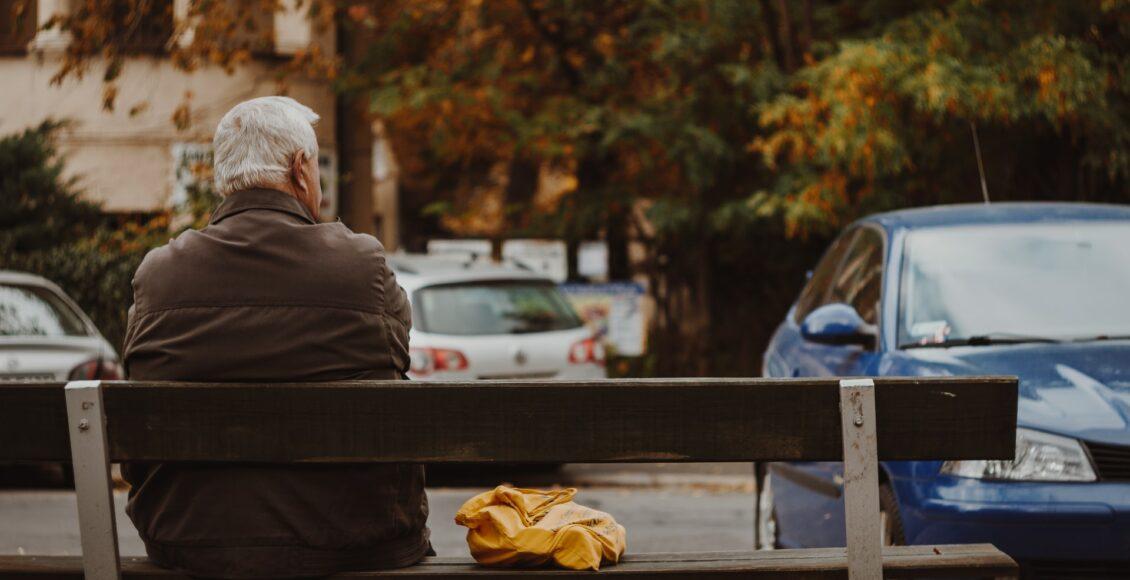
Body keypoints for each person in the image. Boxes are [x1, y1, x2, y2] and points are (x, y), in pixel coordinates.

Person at [122, 96, 430, 578]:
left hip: (191, 544)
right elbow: (397, 354)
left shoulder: (159, 275)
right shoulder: (361, 266)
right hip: (352, 546)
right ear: (301, 169)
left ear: (223, 178)